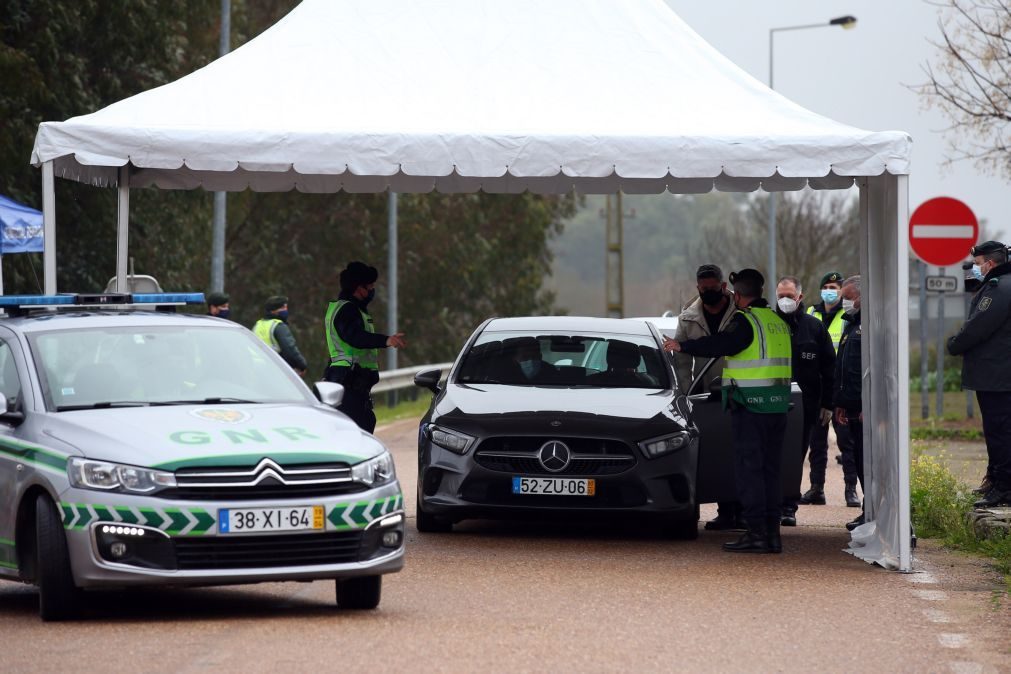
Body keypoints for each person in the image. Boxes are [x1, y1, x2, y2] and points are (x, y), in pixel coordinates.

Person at [665, 269, 792, 554]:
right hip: (777, 405)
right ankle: (771, 535)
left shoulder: (745, 321)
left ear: (736, 295)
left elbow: (721, 344)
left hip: (751, 405)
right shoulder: (776, 321)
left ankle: (756, 533)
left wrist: (682, 345)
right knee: (771, 472)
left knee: (750, 472)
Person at [671, 264, 743, 531]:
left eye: (713, 288)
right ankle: (726, 510)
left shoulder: (741, 311)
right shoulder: (688, 318)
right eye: (704, 289)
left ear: (723, 287)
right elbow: (680, 359)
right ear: (698, 288)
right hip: (705, 394)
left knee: (741, 451)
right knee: (717, 452)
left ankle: (744, 510)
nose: (708, 293)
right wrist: (686, 392)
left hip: (741, 390)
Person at [947, 241, 1011, 508]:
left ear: (990, 264)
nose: (974, 268)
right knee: (998, 430)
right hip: (997, 374)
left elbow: (978, 328)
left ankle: (1004, 487)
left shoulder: (1000, 288)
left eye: (977, 263)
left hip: (997, 375)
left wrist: (954, 343)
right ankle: (996, 482)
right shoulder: (998, 284)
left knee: (1000, 432)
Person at [774, 276, 835, 527]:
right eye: (780, 296)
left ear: (800, 297)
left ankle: (788, 506)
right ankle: (767, 506)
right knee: (769, 456)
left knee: (795, 456)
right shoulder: (768, 325)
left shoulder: (814, 328)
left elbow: (829, 368)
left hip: (804, 406)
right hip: (769, 402)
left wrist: (827, 403)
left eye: (789, 296)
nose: (785, 301)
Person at [324, 261, 407, 433]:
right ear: (358, 288)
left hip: (348, 381)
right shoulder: (348, 310)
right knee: (357, 434)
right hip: (349, 383)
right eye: (369, 286)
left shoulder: (351, 309)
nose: (372, 290)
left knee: (363, 425)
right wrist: (386, 341)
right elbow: (355, 337)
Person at [803, 270, 861, 508]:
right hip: (818, 388)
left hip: (840, 388)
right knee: (816, 443)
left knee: (846, 443)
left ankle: (851, 489)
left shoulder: (847, 316)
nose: (830, 291)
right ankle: (816, 488)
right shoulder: (810, 313)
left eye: (835, 288)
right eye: (826, 286)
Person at [833, 276, 865, 531]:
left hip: (865, 408)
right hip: (851, 406)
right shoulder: (851, 324)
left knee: (868, 461)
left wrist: (868, 404)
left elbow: (874, 369)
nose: (844, 302)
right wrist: (841, 403)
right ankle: (869, 511)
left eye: (848, 296)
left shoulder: (870, 324)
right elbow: (845, 366)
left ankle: (872, 510)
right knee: (858, 458)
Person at [253, 295, 307, 376]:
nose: (286, 310)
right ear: (273, 311)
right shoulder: (278, 326)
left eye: (286, 307)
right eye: (282, 308)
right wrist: (302, 365)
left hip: (256, 369)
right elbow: (290, 349)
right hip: (274, 370)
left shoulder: (258, 325)